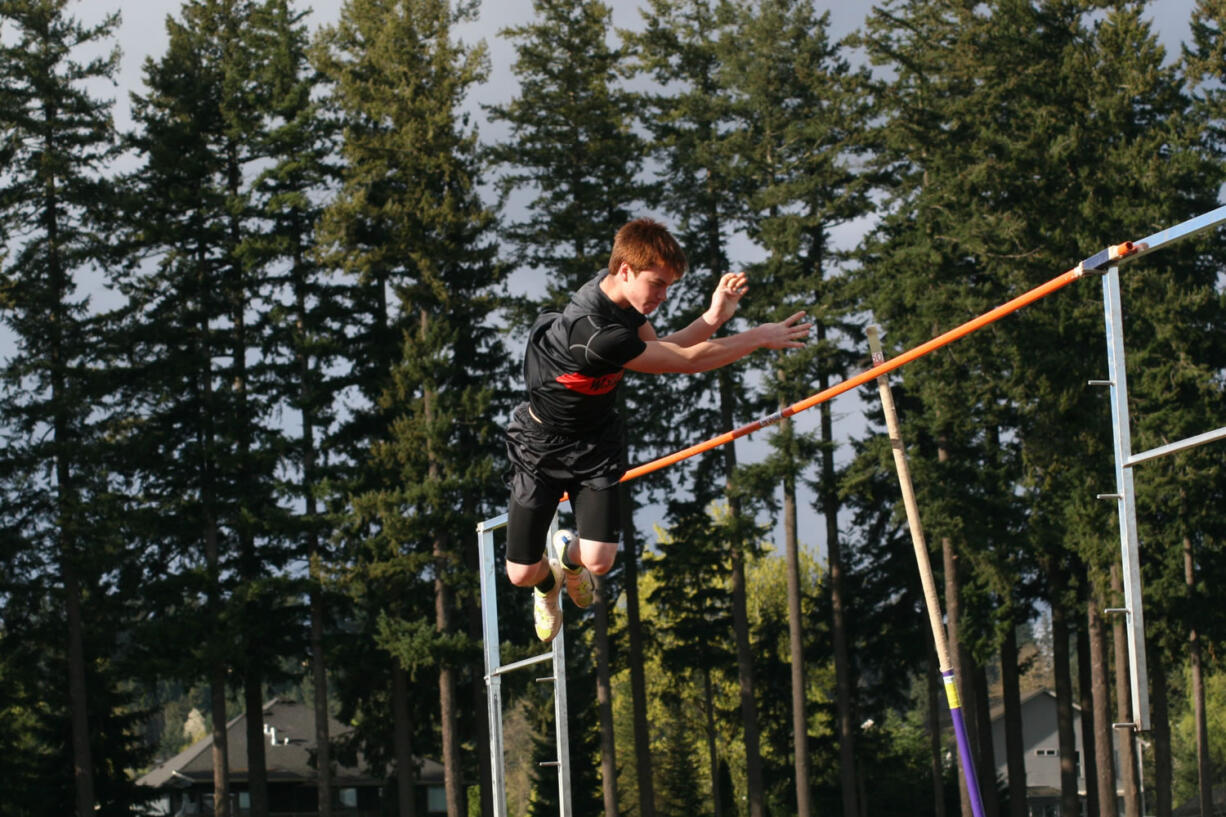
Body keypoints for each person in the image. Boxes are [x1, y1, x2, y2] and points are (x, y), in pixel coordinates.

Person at [505, 218, 812, 642]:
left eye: (669, 287)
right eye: (658, 284)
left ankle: (567, 556)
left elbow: (669, 348)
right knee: (520, 573)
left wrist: (713, 317)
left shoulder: (625, 304)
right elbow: (687, 362)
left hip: (594, 443)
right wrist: (758, 337)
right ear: (625, 270)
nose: (663, 297)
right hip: (540, 446)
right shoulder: (593, 334)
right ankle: (546, 584)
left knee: (598, 560)